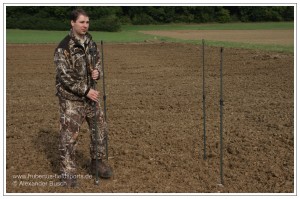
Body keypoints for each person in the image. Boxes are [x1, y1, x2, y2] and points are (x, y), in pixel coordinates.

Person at [54, 8, 112, 187]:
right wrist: (86, 90)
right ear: (72, 23)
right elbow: (65, 76)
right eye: (81, 22)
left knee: (100, 129)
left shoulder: (91, 44)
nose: (85, 25)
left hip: (91, 97)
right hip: (72, 98)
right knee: (70, 136)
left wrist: (97, 72)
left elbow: (98, 64)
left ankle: (97, 161)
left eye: (87, 22)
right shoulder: (63, 48)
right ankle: (68, 172)